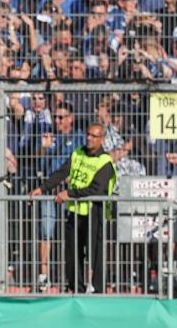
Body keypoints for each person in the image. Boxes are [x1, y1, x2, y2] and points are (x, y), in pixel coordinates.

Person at [30, 122, 117, 293]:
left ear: (102, 139)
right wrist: (42, 188)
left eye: (94, 136)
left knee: (95, 254)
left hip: (95, 212)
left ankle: (98, 290)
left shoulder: (105, 162)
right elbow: (62, 173)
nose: (89, 138)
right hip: (75, 212)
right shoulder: (77, 153)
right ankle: (76, 288)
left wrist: (69, 194)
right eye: (88, 134)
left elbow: (96, 189)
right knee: (72, 252)